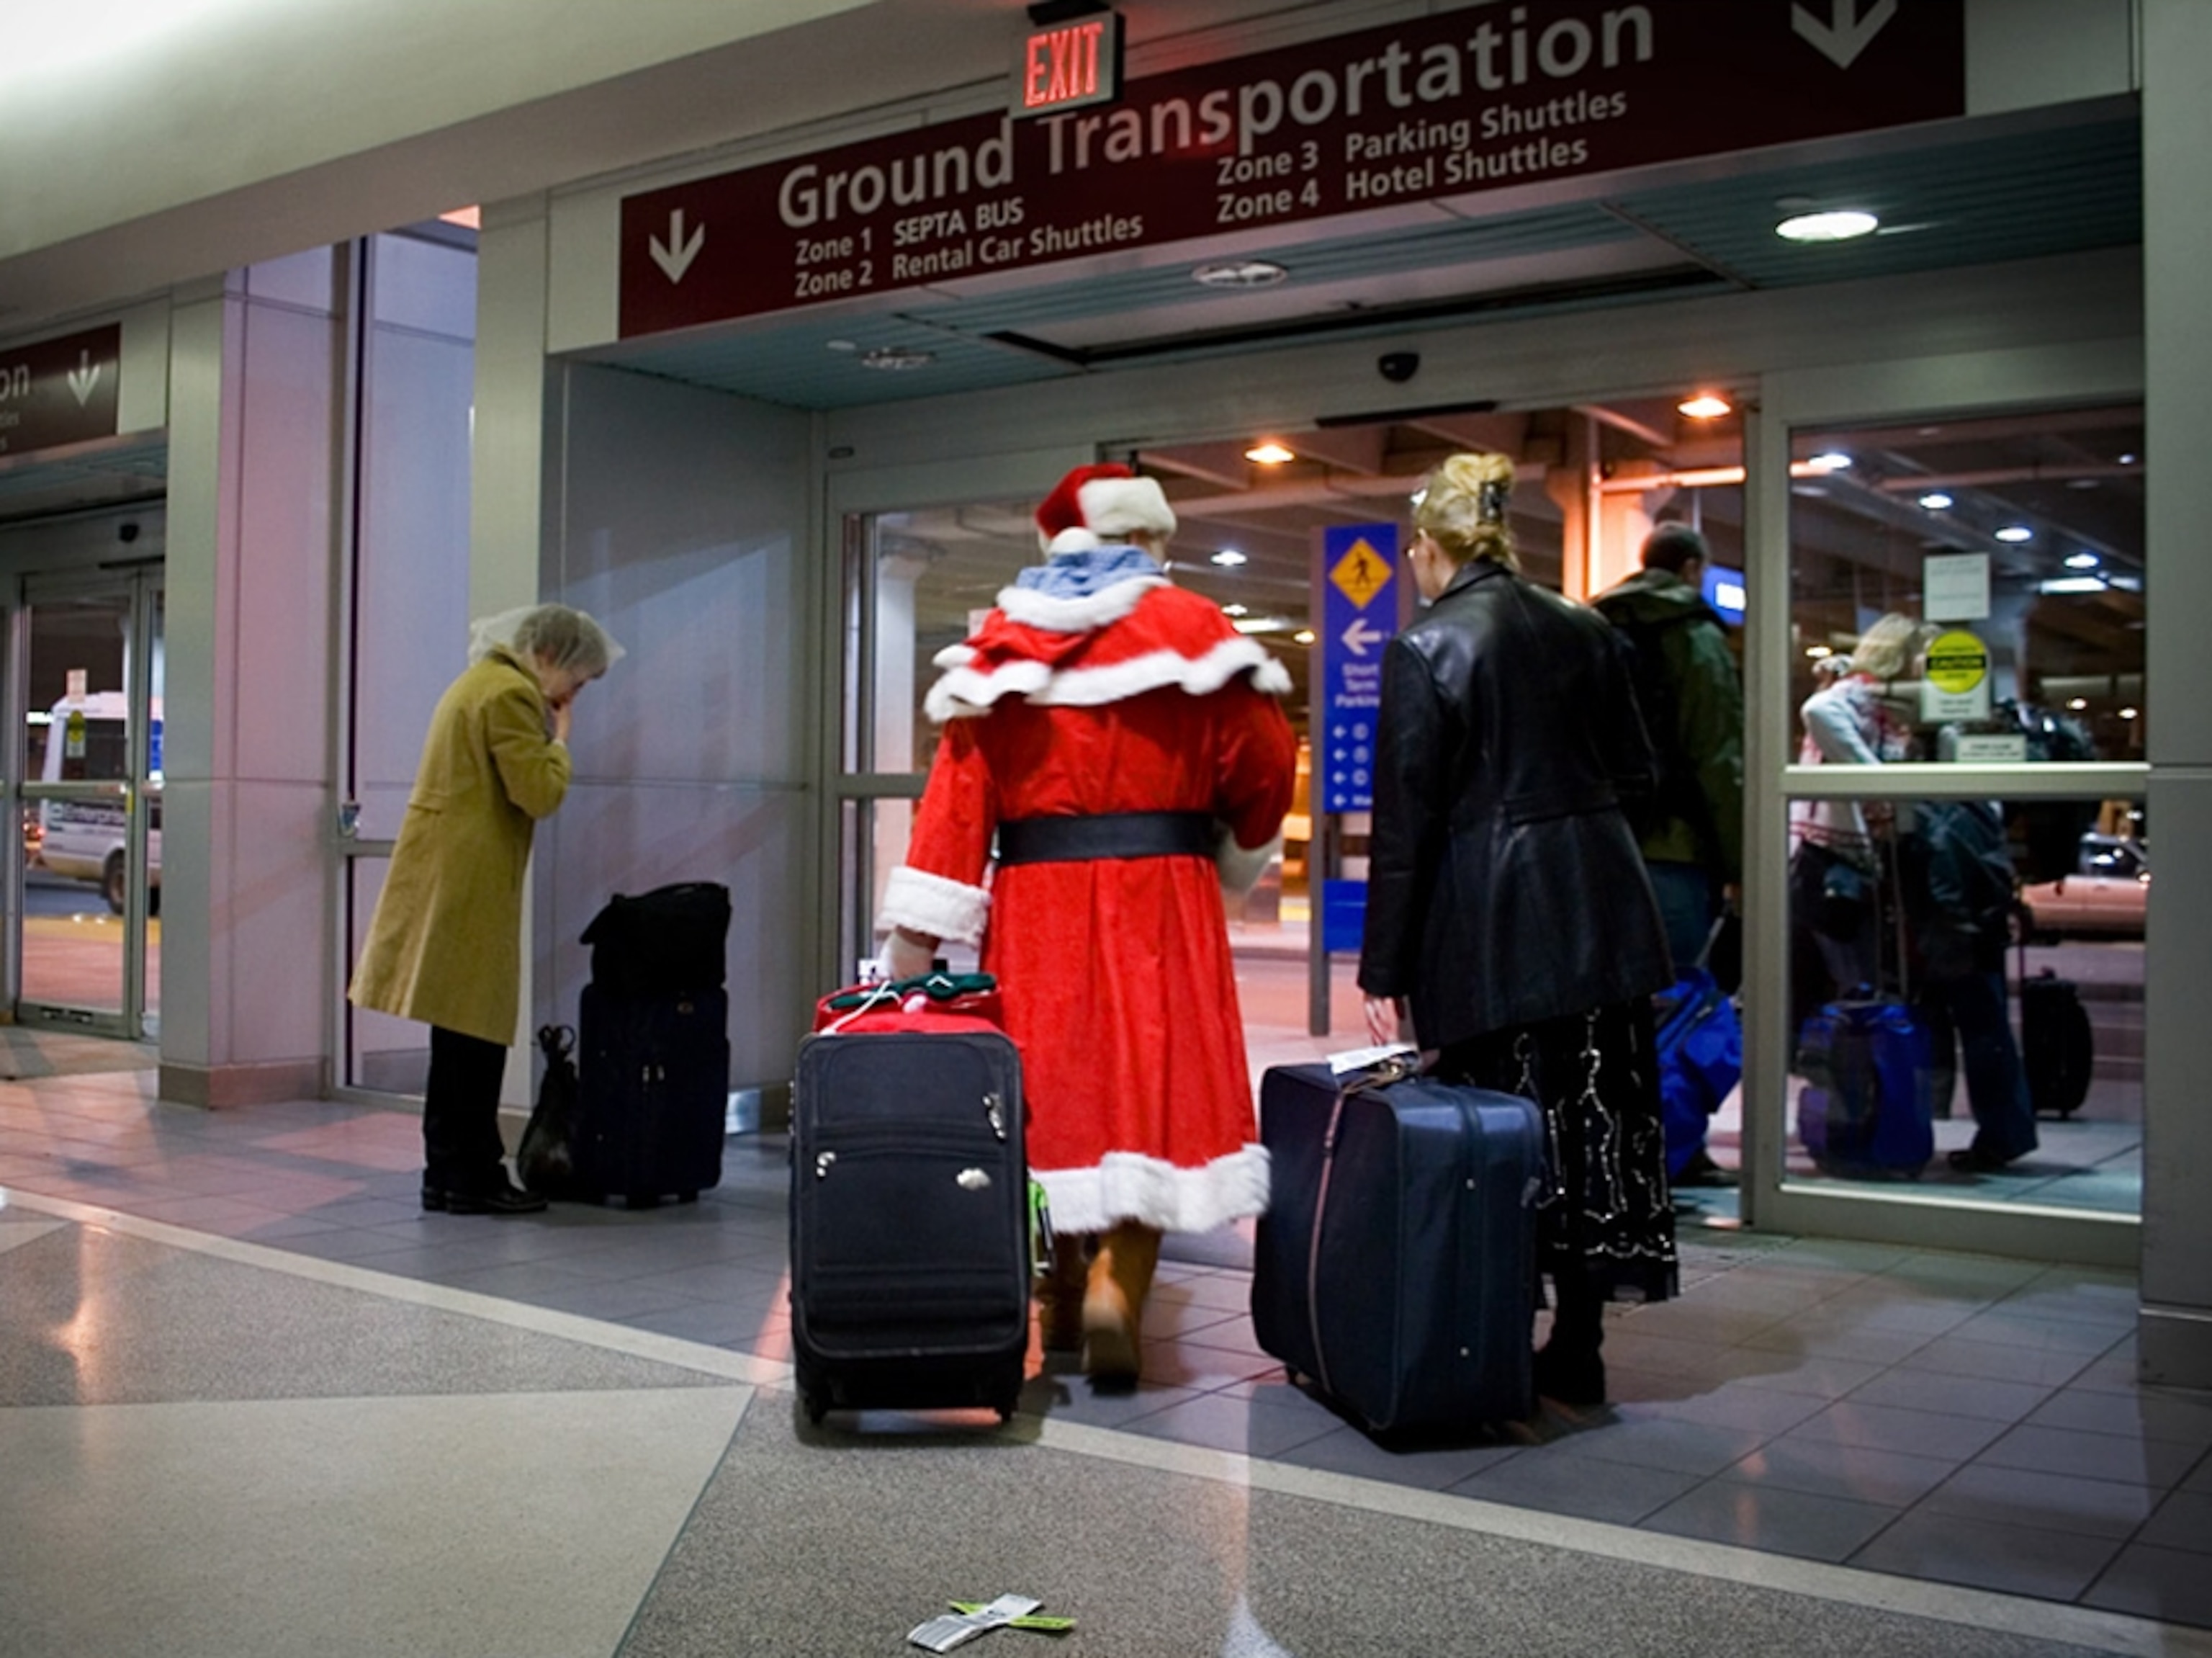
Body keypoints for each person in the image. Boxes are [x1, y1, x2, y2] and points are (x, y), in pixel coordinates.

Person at [874, 463, 1296, 1384]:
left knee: (1049, 1091)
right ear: (1149, 540)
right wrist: (1232, 842)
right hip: (1165, 899)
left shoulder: (1005, 645)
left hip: (1038, 906)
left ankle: (1062, 1294)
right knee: (1152, 1086)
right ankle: (1119, 1283)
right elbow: (1266, 766)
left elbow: (954, 811)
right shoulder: (1199, 633)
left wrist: (907, 956)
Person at [1359, 451, 1677, 1409]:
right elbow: (1640, 769)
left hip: (1492, 917)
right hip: (1605, 903)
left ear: (1427, 547)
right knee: (1597, 1119)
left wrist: (1386, 966)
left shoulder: (1428, 646)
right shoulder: (1589, 625)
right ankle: (1578, 1344)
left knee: (1504, 1126)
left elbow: (1406, 825)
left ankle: (1489, 1330)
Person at [350, 603, 622, 1215]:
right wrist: (561, 744)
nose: (574, 694)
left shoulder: (475, 683)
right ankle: (471, 1174)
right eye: (577, 680)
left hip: (448, 875)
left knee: (457, 1032)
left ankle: (448, 1172)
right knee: (475, 1031)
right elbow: (539, 792)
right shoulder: (509, 696)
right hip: (468, 881)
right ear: (548, 655)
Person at [1593, 521, 1745, 1189]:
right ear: (1689, 569)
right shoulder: (1696, 637)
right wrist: (1740, 863)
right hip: (1672, 852)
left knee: (1606, 1005)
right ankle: (1671, 1148)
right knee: (1677, 1001)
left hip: (1598, 852)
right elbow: (1720, 757)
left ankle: (1605, 1140)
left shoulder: (1591, 628)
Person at [1787, 612, 1923, 1034]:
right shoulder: (1850, 701)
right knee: (1852, 992)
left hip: (1864, 864)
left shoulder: (1893, 711)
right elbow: (1818, 711)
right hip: (1834, 864)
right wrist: (1875, 780)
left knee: (1860, 991)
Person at [1900, 798, 2038, 1172]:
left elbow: (1942, 874)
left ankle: (1996, 1134)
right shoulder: (1977, 805)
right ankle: (2006, 1133)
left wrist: (1946, 934)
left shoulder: (1936, 810)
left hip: (1955, 932)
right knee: (1988, 1034)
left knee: (1973, 1034)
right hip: (1979, 926)